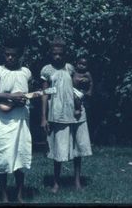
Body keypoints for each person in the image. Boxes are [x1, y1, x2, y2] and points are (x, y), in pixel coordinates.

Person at [40, 37, 92, 193]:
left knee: (78, 148)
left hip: (76, 113)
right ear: (50, 53)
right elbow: (45, 94)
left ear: (65, 54)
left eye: (61, 54)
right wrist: (43, 117)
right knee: (58, 148)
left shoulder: (71, 68)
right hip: (57, 113)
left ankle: (77, 181)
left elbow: (81, 84)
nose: (58, 57)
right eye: (55, 54)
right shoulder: (47, 71)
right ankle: (56, 183)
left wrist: (84, 90)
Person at [0, 37, 32, 203]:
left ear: (19, 56)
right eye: (7, 55)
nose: (10, 58)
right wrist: (10, 96)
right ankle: (4, 194)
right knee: (3, 158)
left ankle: (19, 194)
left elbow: (27, 93)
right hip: (4, 120)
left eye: (13, 55)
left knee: (21, 155)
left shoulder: (26, 72)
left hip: (22, 119)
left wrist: (24, 99)